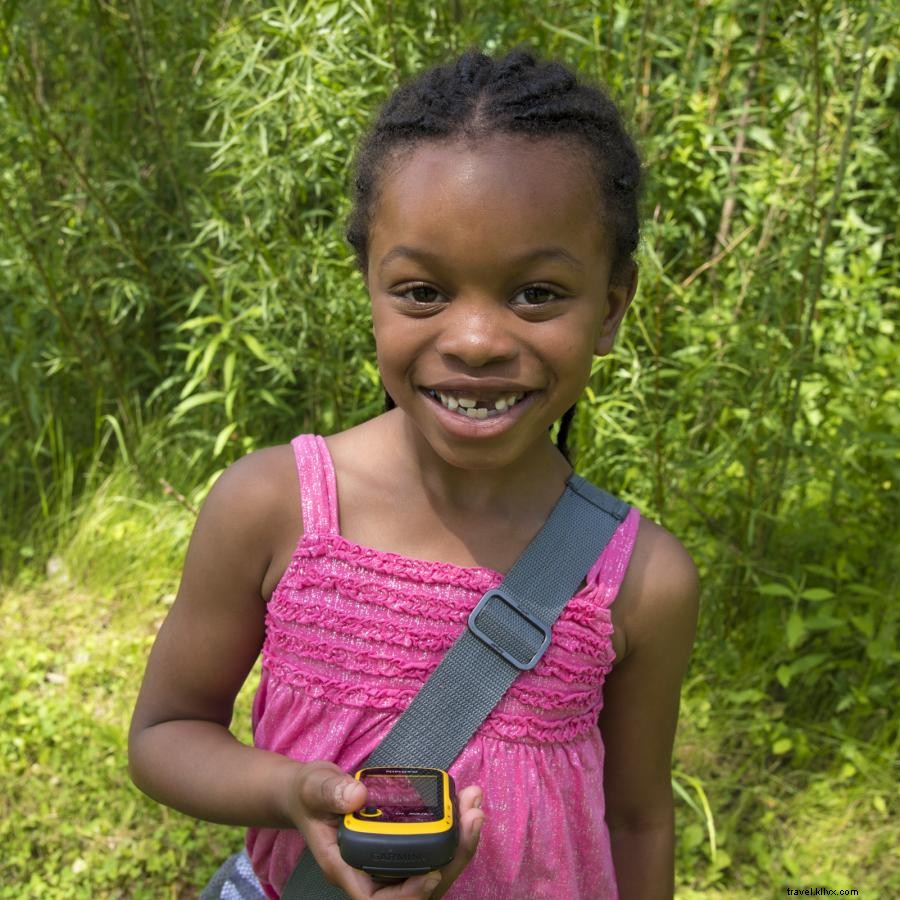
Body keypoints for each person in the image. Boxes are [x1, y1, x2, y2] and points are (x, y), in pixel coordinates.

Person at [128, 48, 699, 900]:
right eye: (423, 292)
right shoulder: (271, 506)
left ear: (611, 307)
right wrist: (290, 791)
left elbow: (640, 820)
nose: (475, 340)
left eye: (537, 293)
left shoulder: (642, 581)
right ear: (368, 285)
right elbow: (166, 733)